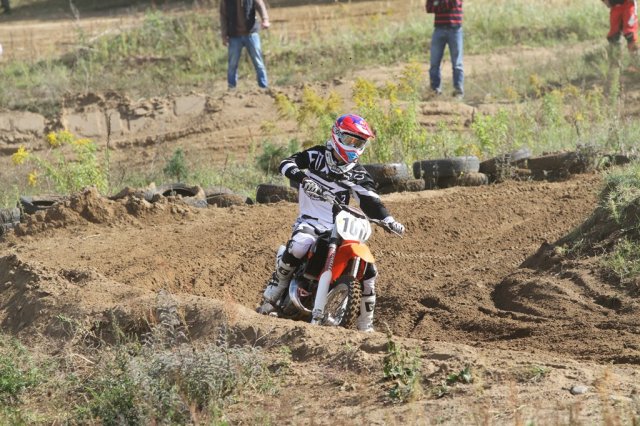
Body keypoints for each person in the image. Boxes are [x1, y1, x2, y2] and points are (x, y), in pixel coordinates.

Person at [256, 113, 406, 332]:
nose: (353, 146)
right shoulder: (317, 155)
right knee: (300, 245)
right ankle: (276, 289)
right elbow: (286, 163)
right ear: (336, 134)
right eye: (349, 140)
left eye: (359, 143)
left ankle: (366, 325)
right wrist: (304, 179)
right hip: (310, 220)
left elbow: (371, 200)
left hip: (339, 225)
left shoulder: (358, 174)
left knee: (370, 271)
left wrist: (389, 220)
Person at [219, 0, 270, 89]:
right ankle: (231, 88)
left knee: (258, 62)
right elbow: (223, 16)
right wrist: (224, 35)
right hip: (234, 36)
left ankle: (263, 87)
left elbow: (260, 5)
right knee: (232, 64)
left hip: (251, 33)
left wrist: (265, 19)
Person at [425, 0, 464, 98]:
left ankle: (458, 91)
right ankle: (435, 91)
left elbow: (454, 3)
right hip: (439, 29)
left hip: (455, 29)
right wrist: (443, 4)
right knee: (434, 63)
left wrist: (438, 3)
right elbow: (429, 8)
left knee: (457, 63)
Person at [602, 0, 640, 70]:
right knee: (613, 36)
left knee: (630, 34)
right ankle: (615, 66)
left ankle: (636, 64)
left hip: (628, 4)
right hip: (615, 6)